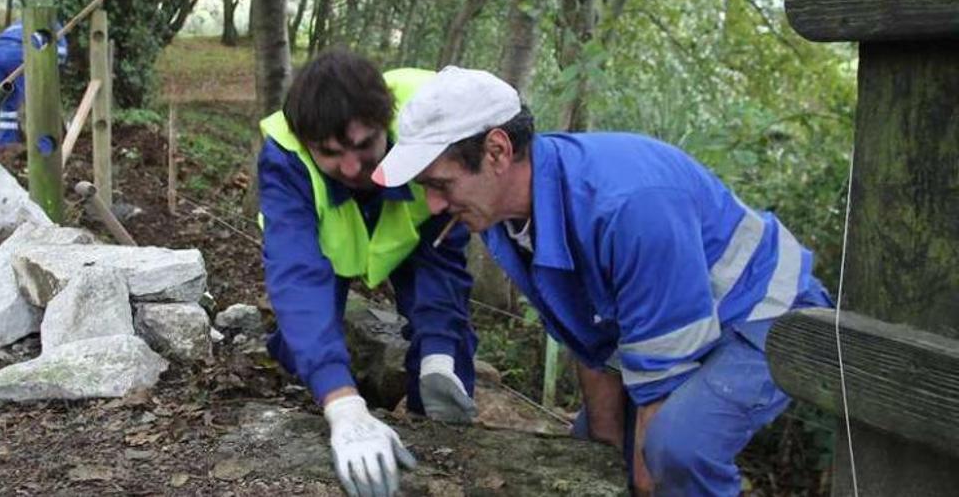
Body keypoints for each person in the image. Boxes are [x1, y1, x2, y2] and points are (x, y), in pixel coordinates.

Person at [372, 66, 835, 496]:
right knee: (588, 452)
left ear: (497, 151)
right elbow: (591, 339)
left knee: (675, 451)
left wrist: (641, 474)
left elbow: (660, 382)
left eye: (441, 184)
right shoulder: (506, 214)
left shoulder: (626, 204)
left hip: (767, 313)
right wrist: (606, 444)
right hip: (681, 318)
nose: (433, 205)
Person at [257, 50, 479, 496]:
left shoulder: (429, 124)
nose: (354, 168)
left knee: (447, 356)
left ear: (389, 121)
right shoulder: (285, 158)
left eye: (365, 146)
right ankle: (319, 392)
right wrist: (342, 405)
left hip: (417, 234)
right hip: (323, 248)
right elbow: (299, 279)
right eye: (331, 154)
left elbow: (443, 259)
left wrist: (438, 351)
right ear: (306, 142)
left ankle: (434, 440)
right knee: (303, 339)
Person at [0, 20, 69, 146]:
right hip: (19, 53)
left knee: (8, 103)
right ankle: (44, 146)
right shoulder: (53, 24)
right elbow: (61, 54)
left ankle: (6, 145)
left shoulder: (19, 22)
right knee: (38, 103)